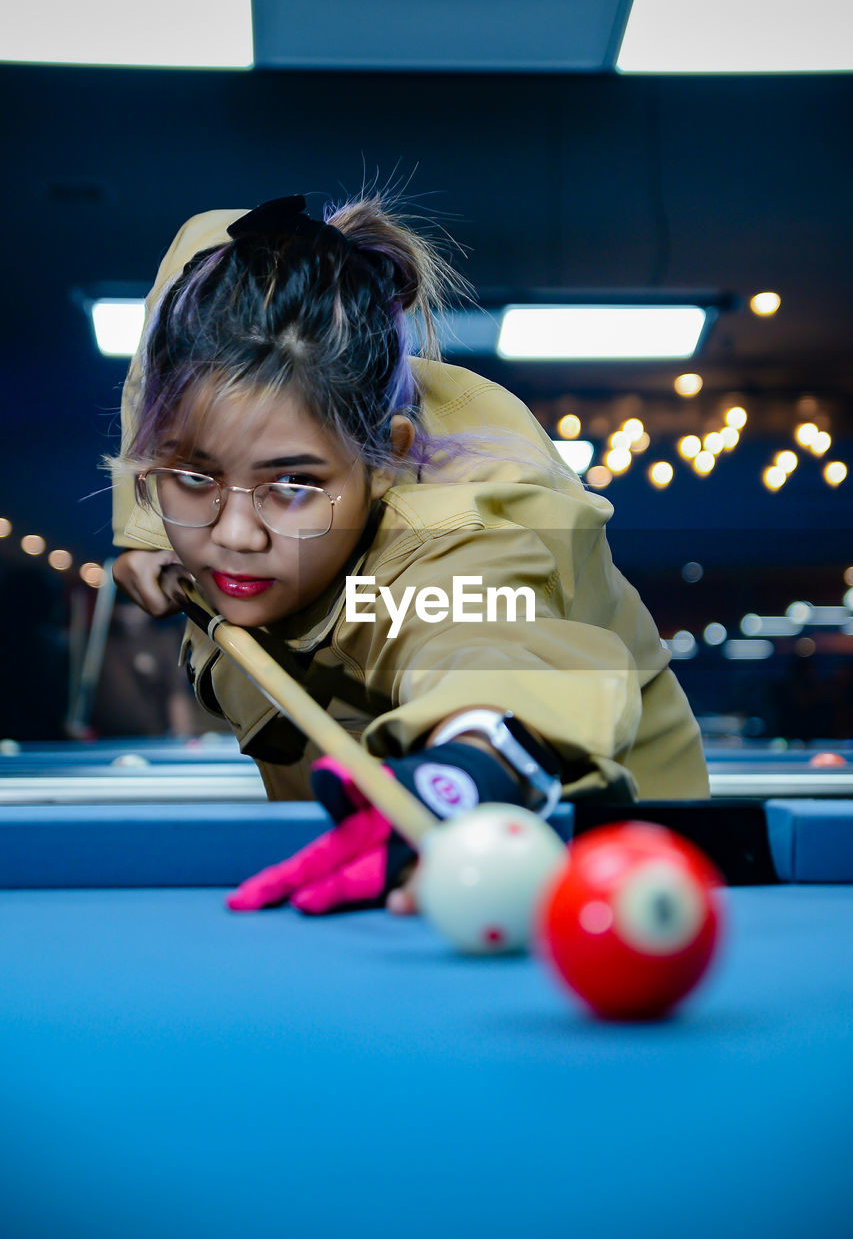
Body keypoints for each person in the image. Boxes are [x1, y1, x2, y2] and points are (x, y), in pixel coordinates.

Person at [110, 193, 709, 915]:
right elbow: (185, 279)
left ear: (384, 459)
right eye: (193, 475)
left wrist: (470, 771)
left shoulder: (456, 526)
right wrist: (144, 526)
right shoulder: (211, 297)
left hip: (614, 864)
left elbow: (487, 647)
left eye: (293, 484)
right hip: (367, 840)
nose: (235, 535)